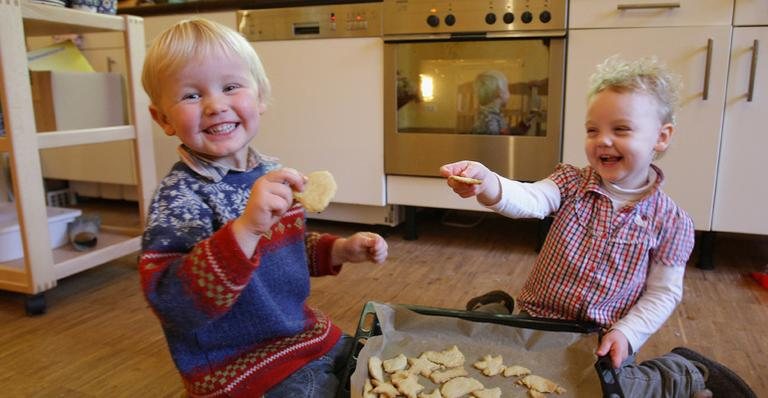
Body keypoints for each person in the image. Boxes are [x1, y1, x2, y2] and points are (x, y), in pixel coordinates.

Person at [442, 56, 755, 397]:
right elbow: (529, 198)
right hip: (538, 321)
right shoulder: (570, 182)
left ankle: (682, 372)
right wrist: (487, 182)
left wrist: (628, 333)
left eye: (620, 129)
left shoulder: (672, 223)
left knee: (612, 390)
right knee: (496, 368)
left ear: (661, 138)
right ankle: (497, 312)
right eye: (593, 130)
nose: (603, 140)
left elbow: (663, 293)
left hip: (603, 337)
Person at [138, 18, 388, 397]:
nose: (215, 105)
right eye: (191, 95)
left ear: (260, 97)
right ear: (163, 118)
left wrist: (339, 249)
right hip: (240, 366)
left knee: (378, 366)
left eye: (231, 87)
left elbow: (288, 252)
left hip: (304, 335)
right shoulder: (180, 199)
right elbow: (175, 306)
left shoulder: (270, 172)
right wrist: (245, 230)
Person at [471, 70, 511, 135]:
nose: (509, 92)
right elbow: (496, 142)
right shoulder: (491, 121)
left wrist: (526, 122)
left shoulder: (490, 115)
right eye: (507, 88)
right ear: (500, 92)